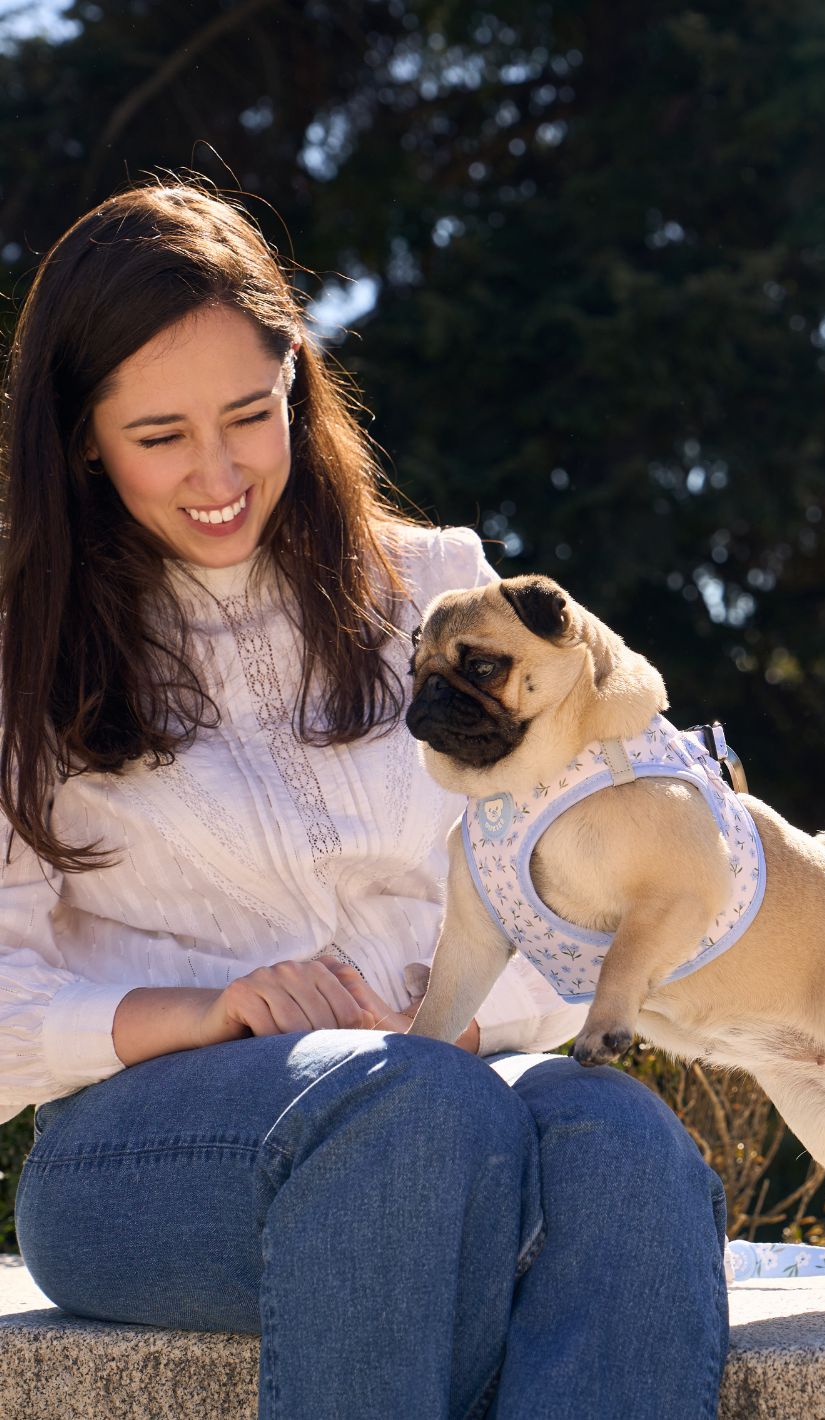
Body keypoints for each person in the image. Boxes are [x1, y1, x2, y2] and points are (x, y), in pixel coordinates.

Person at [0, 179, 729, 1419]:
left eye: (249, 414)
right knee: (409, 1112)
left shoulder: (443, 592)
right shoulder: (23, 653)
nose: (219, 471)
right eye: (160, 436)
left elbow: (566, 878)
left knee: (627, 1146)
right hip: (143, 1156)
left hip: (455, 1102)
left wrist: (452, 1016)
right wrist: (208, 1009)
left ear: (296, 377)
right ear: (82, 436)